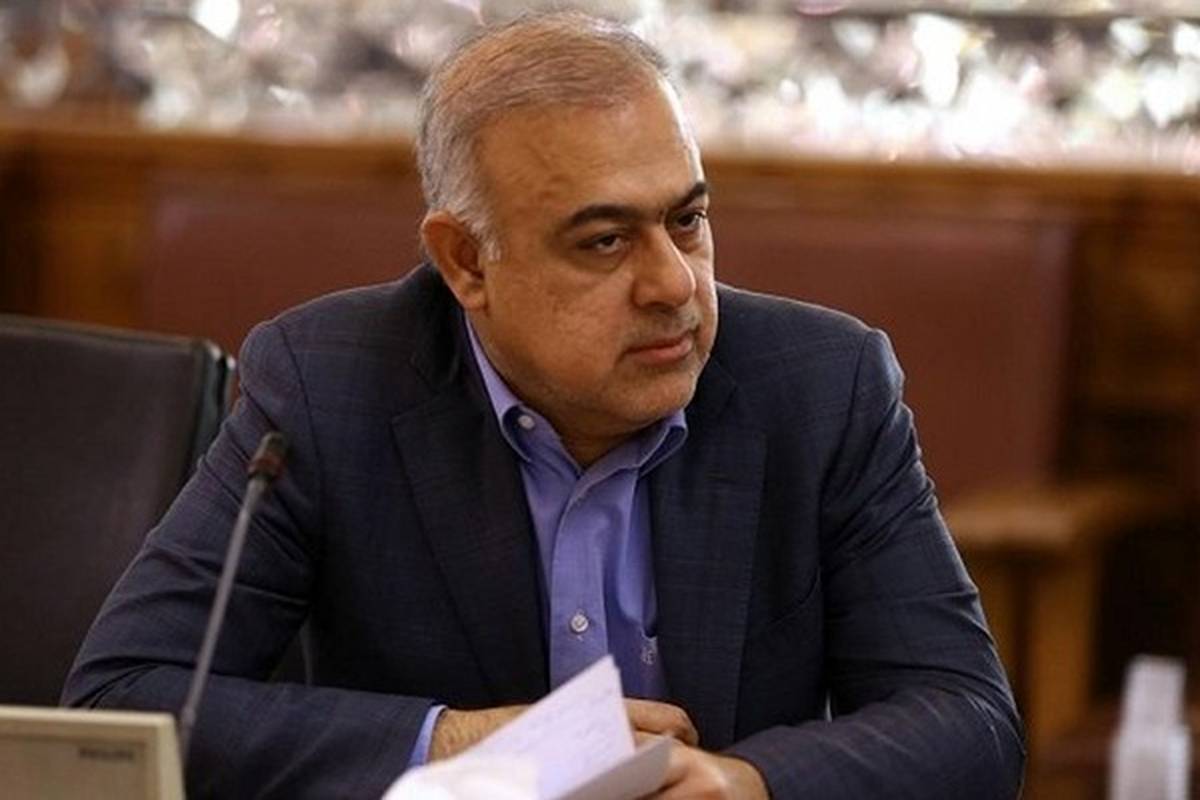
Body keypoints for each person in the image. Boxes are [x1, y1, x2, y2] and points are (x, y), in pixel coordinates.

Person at [64, 12, 1024, 799]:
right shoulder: (331, 386)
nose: (674, 285)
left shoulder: (820, 386)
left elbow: (969, 721)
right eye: (604, 241)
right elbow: (119, 705)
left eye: (688, 220)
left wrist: (749, 782)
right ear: (466, 263)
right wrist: (460, 743)